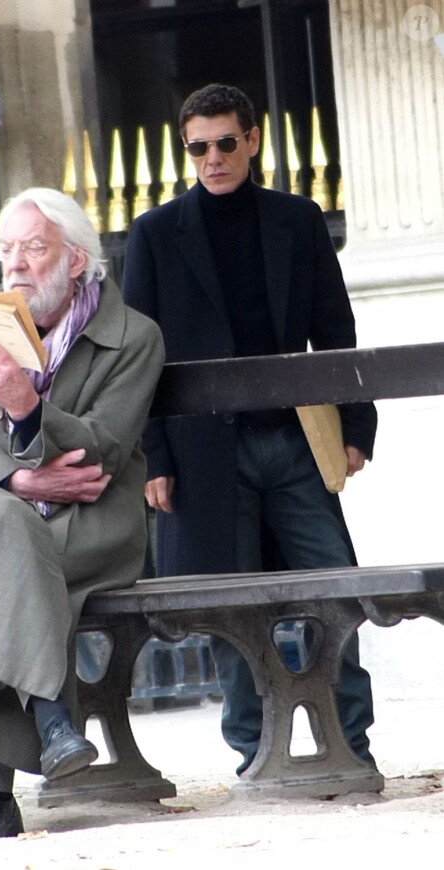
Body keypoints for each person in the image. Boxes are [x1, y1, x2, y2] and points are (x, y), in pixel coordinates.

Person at [122, 84, 378, 776]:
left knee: (336, 590)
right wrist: (155, 457)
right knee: (230, 609)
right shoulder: (153, 233)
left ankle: (351, 741)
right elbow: (140, 358)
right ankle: (253, 752)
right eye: (198, 147)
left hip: (298, 440)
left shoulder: (297, 220)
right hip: (207, 451)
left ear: (253, 140)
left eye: (225, 143)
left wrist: (357, 423)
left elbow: (336, 331)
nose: (212, 158)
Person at [0, 188, 165, 843]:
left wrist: (30, 409)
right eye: (7, 248)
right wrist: (19, 477)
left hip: (90, 529)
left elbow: (105, 447)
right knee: (3, 520)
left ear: (76, 261)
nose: (16, 263)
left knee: (0, 546)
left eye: (34, 247)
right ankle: (52, 720)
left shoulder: (134, 338)